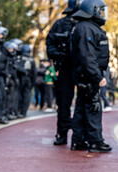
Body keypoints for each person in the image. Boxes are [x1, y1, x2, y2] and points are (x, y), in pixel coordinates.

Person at [71, 0, 112, 153]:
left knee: (82, 108)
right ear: (91, 11)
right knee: (94, 107)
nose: (102, 15)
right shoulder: (86, 28)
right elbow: (87, 56)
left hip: (85, 75)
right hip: (88, 76)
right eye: (100, 11)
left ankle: (79, 140)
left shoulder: (84, 27)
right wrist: (97, 76)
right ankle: (95, 142)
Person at [46, 0, 80, 145]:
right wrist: (60, 55)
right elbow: (50, 45)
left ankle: (80, 135)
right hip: (65, 68)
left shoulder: (84, 25)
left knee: (83, 102)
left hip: (80, 67)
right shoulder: (59, 24)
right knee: (63, 102)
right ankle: (62, 133)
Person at [18, 44, 36, 118]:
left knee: (19, 94)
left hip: (21, 78)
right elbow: (34, 73)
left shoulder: (20, 58)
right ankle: (24, 112)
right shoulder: (32, 60)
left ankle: (19, 110)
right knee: (26, 95)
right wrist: (32, 83)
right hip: (28, 79)